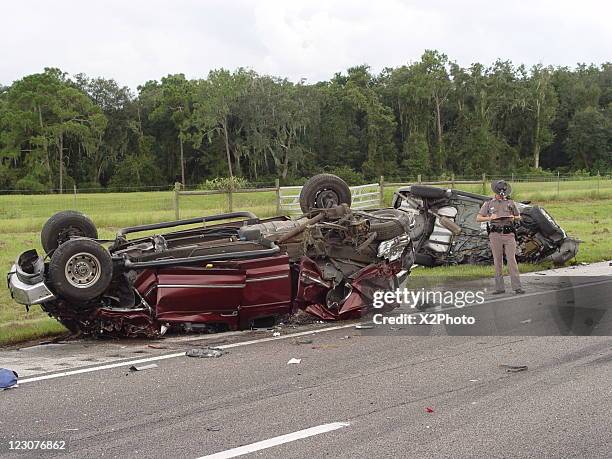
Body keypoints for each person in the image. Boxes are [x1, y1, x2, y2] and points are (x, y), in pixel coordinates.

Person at [476, 180, 524, 294]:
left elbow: (519, 217)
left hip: (509, 234)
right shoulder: (488, 203)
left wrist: (513, 217)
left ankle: (517, 287)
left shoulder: (510, 203)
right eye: (500, 192)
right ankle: (499, 288)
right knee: (498, 261)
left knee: (512, 260)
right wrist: (490, 218)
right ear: (495, 192)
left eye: (504, 192)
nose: (502, 195)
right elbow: (478, 218)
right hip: (495, 234)